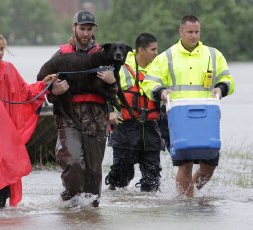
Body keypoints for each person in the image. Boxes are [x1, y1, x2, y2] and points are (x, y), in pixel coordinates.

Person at [141, 15, 235, 197]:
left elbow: (228, 80)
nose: (193, 36)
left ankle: (185, 196)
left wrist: (221, 88)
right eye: (189, 32)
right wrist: (160, 91)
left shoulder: (214, 55)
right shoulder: (166, 57)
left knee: (208, 167)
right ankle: (187, 204)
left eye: (196, 32)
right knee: (185, 164)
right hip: (176, 117)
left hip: (206, 117)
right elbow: (148, 82)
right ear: (181, 32)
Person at [0, 32, 57, 208]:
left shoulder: (9, 69)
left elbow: (25, 92)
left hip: (5, 130)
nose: (0, 53)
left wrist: (42, 84)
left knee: (4, 166)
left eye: (2, 49)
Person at [47, 10, 118, 207]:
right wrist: (55, 90)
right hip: (68, 117)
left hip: (97, 119)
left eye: (89, 29)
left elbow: (115, 92)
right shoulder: (61, 55)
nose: (86, 33)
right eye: (82, 28)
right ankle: (68, 200)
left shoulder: (104, 55)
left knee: (94, 173)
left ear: (94, 30)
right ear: (74, 28)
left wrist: (112, 82)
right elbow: (46, 90)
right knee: (74, 163)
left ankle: (90, 214)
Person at [105, 33, 162, 192]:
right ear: (141, 51)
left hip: (150, 130)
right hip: (125, 130)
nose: (157, 53)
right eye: (153, 49)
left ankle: (148, 211)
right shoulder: (121, 67)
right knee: (119, 179)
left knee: (152, 180)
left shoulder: (159, 68)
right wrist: (111, 111)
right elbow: (108, 93)